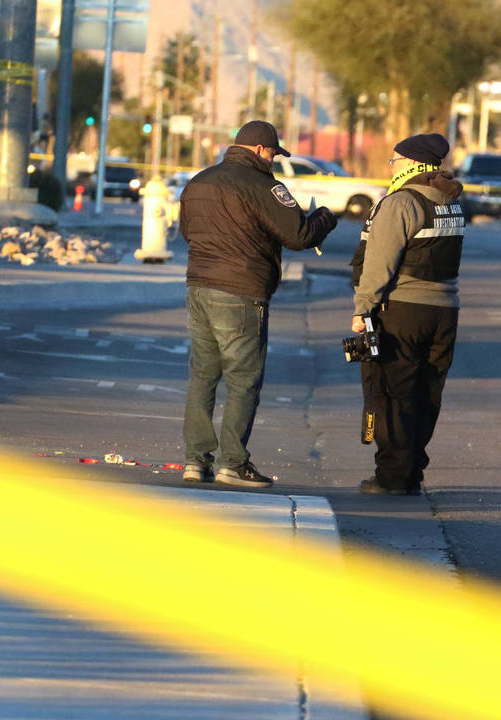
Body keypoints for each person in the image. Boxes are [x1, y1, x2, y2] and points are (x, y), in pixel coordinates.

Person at [180, 120, 338, 487]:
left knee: (203, 375)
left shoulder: (199, 181)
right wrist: (325, 218)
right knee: (243, 380)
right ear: (258, 150)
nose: (274, 160)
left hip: (199, 286)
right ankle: (233, 464)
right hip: (241, 291)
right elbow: (299, 235)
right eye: (272, 153)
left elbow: (188, 231)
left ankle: (194, 461)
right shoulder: (265, 186)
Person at [349, 133, 465, 495]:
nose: (392, 167)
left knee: (392, 392)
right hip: (444, 312)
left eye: (395, 161)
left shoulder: (401, 202)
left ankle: (392, 477)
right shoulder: (449, 201)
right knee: (427, 393)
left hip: (402, 310)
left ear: (413, 164)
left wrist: (362, 308)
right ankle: (412, 471)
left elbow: (379, 264)